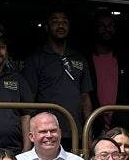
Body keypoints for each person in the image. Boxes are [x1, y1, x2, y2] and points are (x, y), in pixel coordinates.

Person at [23, 10, 92, 142]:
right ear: (47, 27)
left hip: (75, 131)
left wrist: (88, 133)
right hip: (46, 132)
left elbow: (85, 98)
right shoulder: (36, 58)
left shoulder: (79, 58)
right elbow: (29, 100)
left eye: (64, 22)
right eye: (55, 22)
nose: (61, 25)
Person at [89, 13, 129, 132]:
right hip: (94, 123)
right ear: (95, 28)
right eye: (102, 25)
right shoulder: (86, 59)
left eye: (110, 26)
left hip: (121, 126)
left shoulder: (125, 60)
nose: (107, 29)